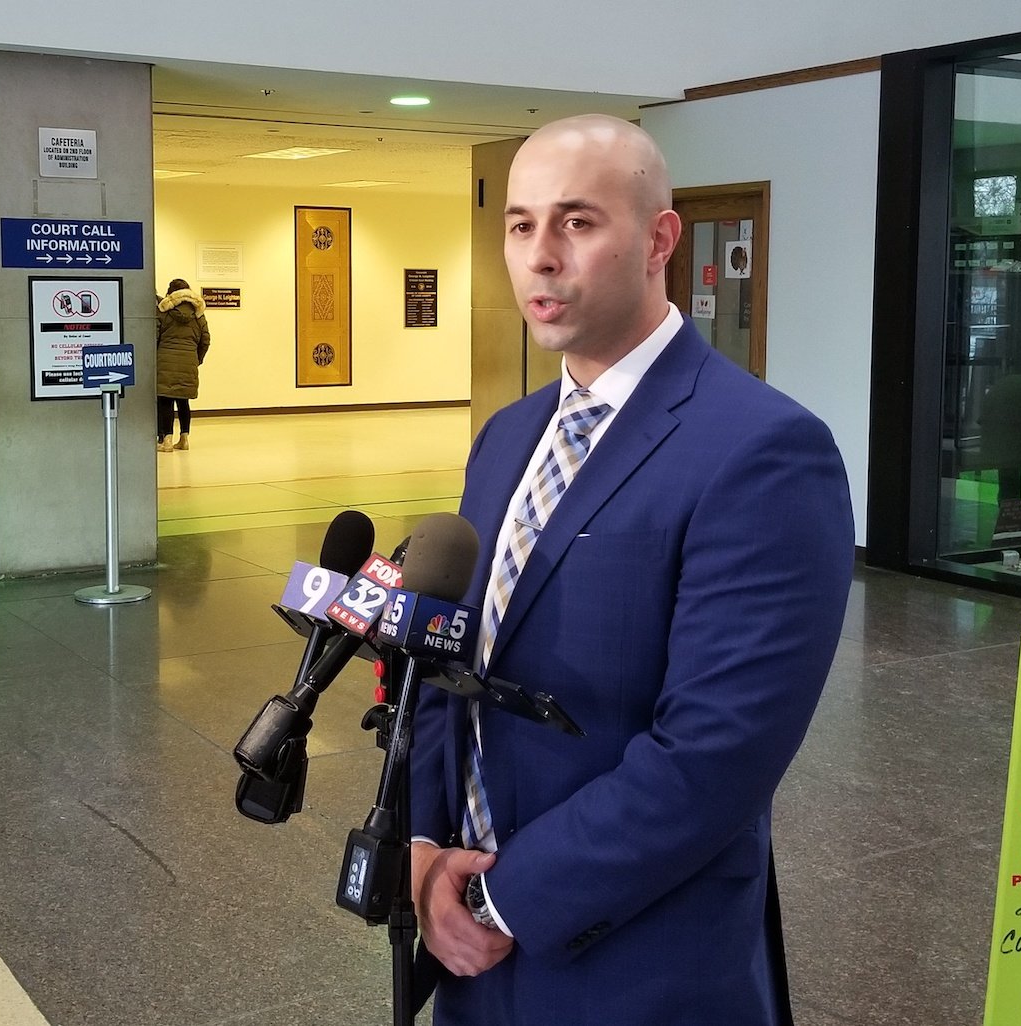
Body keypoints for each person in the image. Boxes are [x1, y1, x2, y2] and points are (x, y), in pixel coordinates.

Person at [408, 115, 853, 1024]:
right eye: (520, 224)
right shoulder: (506, 438)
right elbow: (447, 657)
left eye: (576, 222)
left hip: (638, 962)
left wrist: (508, 899)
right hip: (467, 953)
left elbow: (715, 756)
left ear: (659, 239)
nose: (540, 256)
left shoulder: (762, 450)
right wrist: (423, 847)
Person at [155, 278, 210, 452]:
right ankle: (184, 438)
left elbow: (154, 336)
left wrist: (155, 357)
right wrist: (197, 359)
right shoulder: (198, 314)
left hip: (165, 360)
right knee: (183, 401)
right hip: (189, 361)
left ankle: (167, 440)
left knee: (165, 400)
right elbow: (206, 340)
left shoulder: (163, 311)